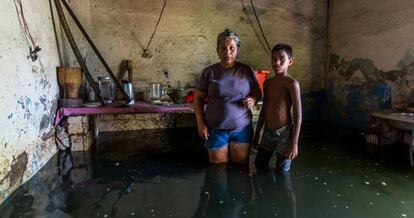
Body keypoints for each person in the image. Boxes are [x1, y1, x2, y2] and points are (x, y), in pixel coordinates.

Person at [193, 29, 262, 165]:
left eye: (232, 48)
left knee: (240, 171)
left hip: (241, 128)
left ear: (238, 50)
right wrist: (200, 124)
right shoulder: (209, 72)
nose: (227, 52)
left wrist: (253, 99)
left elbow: (257, 91)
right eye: (223, 48)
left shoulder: (246, 70)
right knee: (218, 172)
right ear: (217, 50)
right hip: (215, 129)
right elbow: (198, 98)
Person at [253, 43, 302, 172]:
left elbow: (298, 116)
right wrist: (257, 132)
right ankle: (264, 191)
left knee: (282, 171)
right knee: (259, 165)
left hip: (284, 134)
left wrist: (294, 143)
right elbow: (264, 110)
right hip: (267, 133)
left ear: (290, 61)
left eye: (282, 59)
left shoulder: (292, 84)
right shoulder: (268, 83)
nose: (277, 62)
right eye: (274, 59)